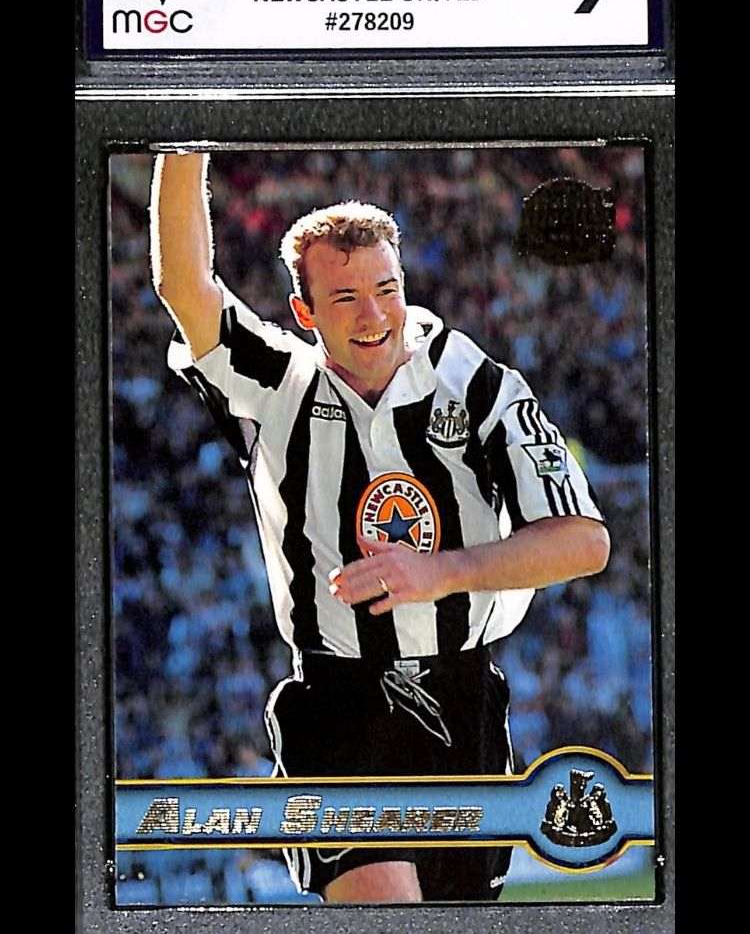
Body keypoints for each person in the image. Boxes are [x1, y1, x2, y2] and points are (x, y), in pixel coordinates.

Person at [149, 152, 610, 904]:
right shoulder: (277, 384)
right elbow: (184, 286)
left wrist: (440, 572)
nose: (374, 316)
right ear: (305, 313)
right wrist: (180, 138)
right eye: (346, 297)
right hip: (339, 700)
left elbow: (584, 542)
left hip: (464, 695)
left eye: (387, 290)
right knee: (385, 906)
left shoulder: (477, 384)